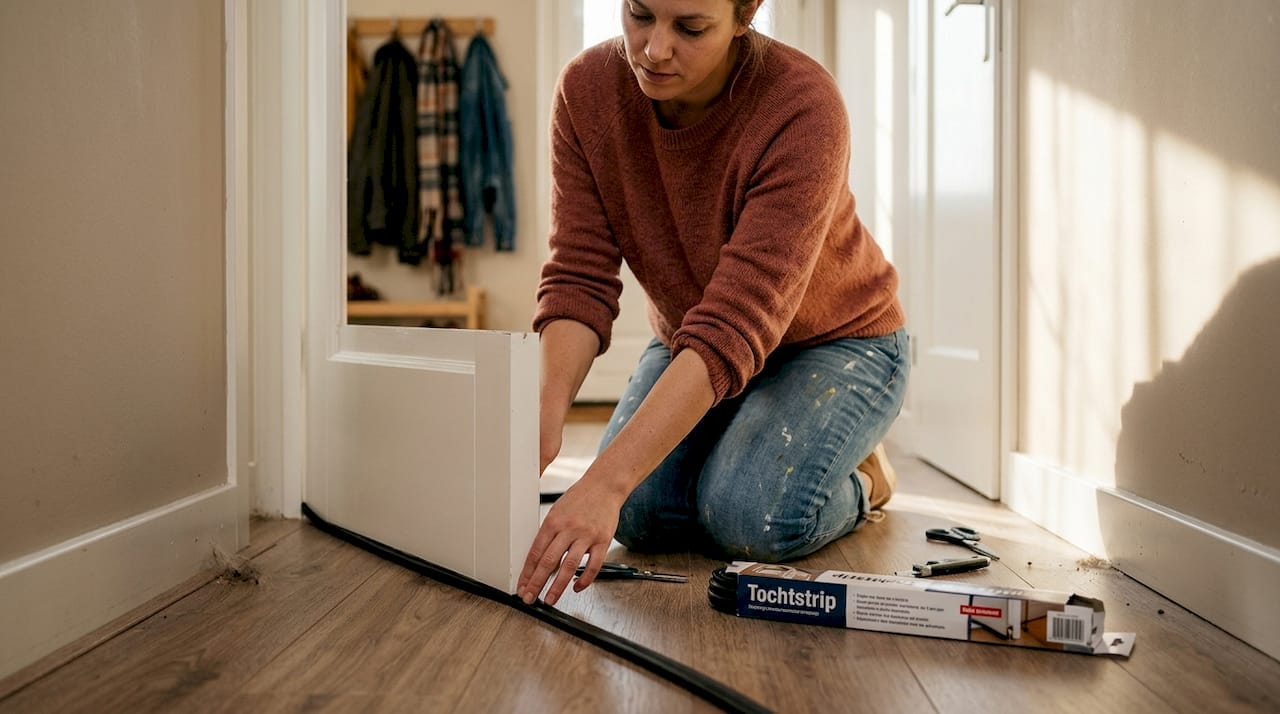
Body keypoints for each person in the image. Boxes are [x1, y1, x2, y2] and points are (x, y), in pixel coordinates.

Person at [518, 0, 909, 607]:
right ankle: (739, 445)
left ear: (745, 13)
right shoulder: (587, 92)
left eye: (691, 28)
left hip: (838, 342)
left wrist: (603, 480)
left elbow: (736, 322)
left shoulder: (802, 105)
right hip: (692, 338)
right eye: (640, 14)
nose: (653, 49)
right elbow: (579, 273)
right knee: (639, 516)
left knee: (751, 519)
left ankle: (863, 479)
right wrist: (542, 420)